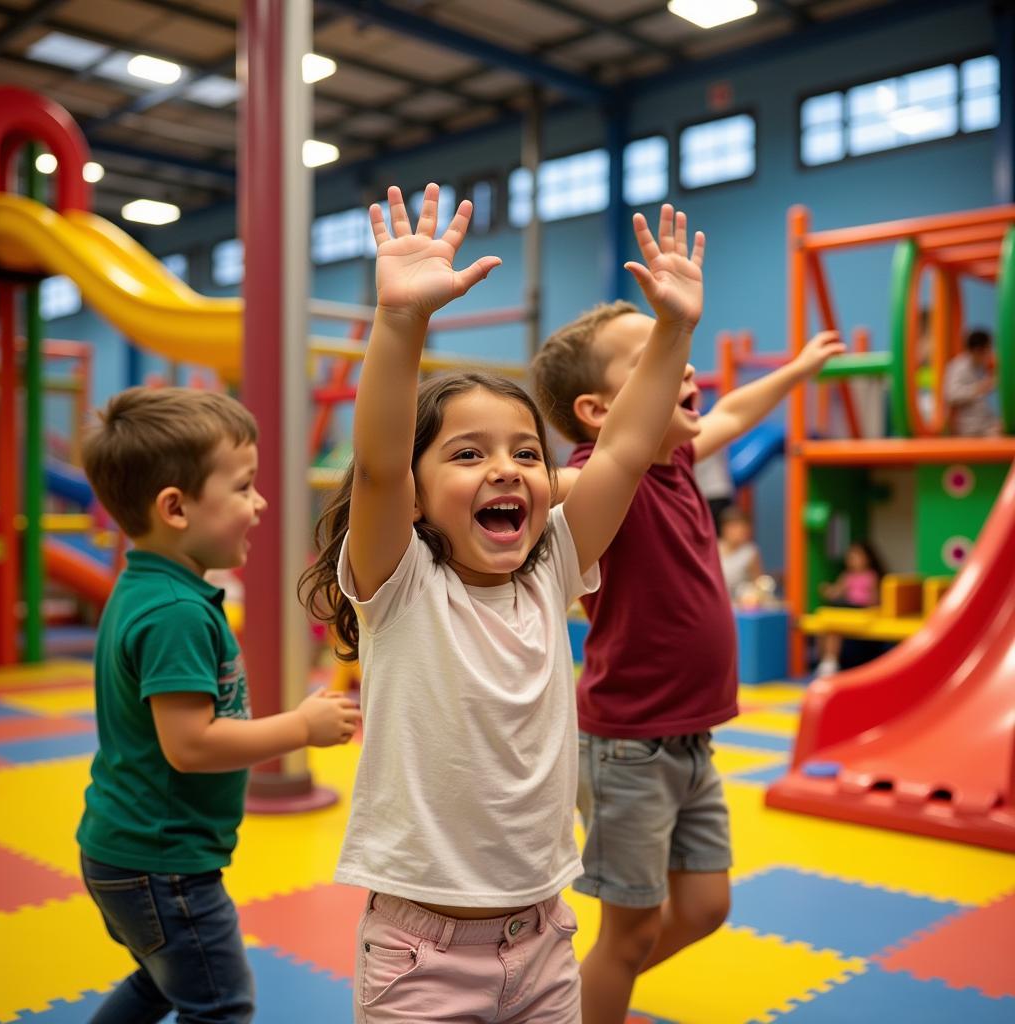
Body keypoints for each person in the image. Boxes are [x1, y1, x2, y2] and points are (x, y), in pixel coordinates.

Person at [300, 183, 705, 1023]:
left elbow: (626, 449)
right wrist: (401, 320)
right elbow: (377, 463)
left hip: (544, 939)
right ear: (415, 495)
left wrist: (674, 329)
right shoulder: (402, 582)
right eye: (467, 453)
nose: (508, 468)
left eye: (527, 450)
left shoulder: (552, 567)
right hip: (423, 955)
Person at [531, 311, 843, 1024]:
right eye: (657, 356)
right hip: (627, 746)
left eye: (683, 352)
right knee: (628, 932)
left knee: (706, 906)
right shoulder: (605, 476)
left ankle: (578, 997)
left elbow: (734, 407)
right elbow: (552, 485)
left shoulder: (674, 461)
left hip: (692, 739)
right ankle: (584, 1003)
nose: (690, 368)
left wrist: (797, 370)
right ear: (600, 411)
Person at [77, 387, 361, 1024]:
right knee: (222, 1007)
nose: (259, 504)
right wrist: (300, 728)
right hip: (161, 865)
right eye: (242, 487)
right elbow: (191, 744)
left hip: (134, 854)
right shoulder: (174, 612)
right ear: (175, 508)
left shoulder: (153, 587)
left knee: (160, 984)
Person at [814, 539, 884, 677]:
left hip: (861, 610)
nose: (853, 560)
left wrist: (872, 606)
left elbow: (875, 599)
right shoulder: (847, 576)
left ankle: (830, 661)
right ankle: (828, 660)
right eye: (851, 557)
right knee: (829, 622)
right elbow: (836, 592)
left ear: (867, 559)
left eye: (857, 556)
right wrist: (827, 591)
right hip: (848, 609)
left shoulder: (870, 576)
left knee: (835, 617)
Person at [943, 328, 1001, 437]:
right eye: (989, 348)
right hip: (968, 428)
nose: (990, 353)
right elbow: (951, 394)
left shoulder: (979, 367)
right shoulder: (958, 366)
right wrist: (980, 387)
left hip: (984, 423)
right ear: (978, 350)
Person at [717, 504, 762, 599]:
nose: (739, 531)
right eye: (734, 527)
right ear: (725, 528)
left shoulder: (750, 552)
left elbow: (758, 583)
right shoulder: (714, 547)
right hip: (717, 600)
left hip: (740, 604)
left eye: (743, 527)